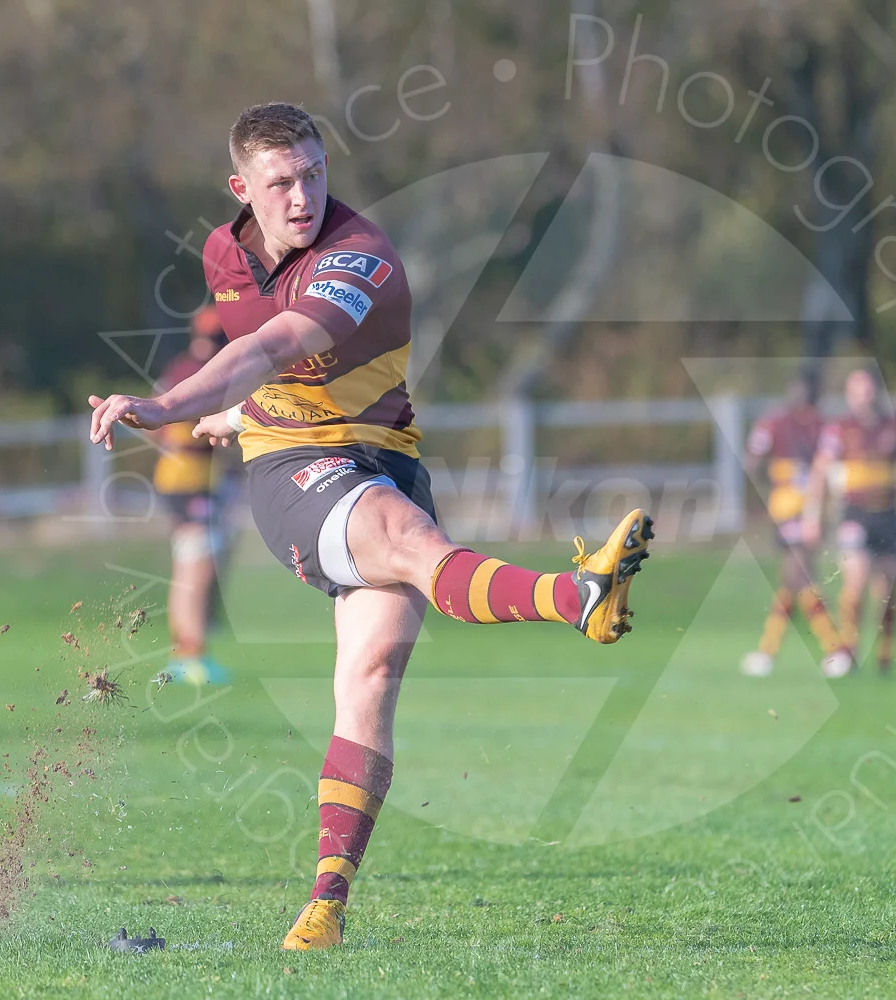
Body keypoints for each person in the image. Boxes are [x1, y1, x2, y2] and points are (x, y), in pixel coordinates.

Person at [86, 103, 653, 951]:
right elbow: (259, 359)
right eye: (281, 181)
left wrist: (204, 405)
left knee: (373, 678)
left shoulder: (360, 257)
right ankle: (576, 594)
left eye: (314, 173)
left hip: (385, 457)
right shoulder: (222, 255)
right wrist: (204, 411)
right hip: (292, 472)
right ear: (244, 189)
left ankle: (324, 906)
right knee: (411, 542)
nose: (303, 194)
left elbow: (278, 349)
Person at [803, 369, 896, 676]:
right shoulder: (840, 429)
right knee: (854, 582)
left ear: (877, 392)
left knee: (887, 591)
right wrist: (812, 515)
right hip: (855, 514)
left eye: (868, 389)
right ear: (849, 395)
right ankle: (848, 649)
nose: (863, 395)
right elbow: (819, 471)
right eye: (857, 390)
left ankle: (885, 654)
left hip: (888, 516)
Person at [739, 371, 851, 679]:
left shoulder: (801, 424)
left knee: (798, 577)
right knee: (793, 582)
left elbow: (753, 459)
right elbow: (754, 456)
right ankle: (770, 651)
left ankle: (835, 650)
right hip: (792, 509)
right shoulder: (789, 422)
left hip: (802, 509)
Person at [150, 306, 236, 685]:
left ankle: (187, 651)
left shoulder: (178, 367)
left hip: (182, 476)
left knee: (190, 563)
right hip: (189, 479)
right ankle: (189, 654)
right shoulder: (204, 372)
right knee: (196, 566)